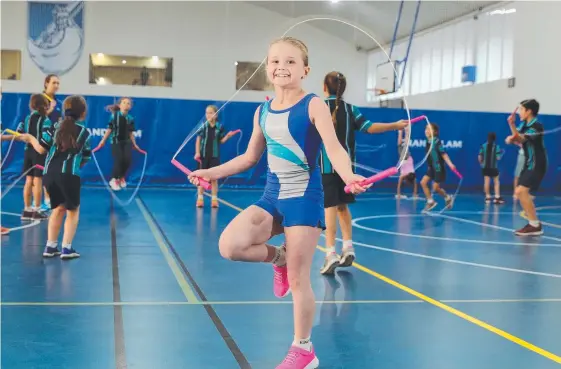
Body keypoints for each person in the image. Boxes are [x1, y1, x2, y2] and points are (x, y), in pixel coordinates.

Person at [188, 37, 368, 369]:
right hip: (272, 196)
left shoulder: (314, 105)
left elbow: (334, 147)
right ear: (267, 67)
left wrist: (348, 176)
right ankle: (279, 257)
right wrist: (209, 172)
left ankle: (304, 349)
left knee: (300, 280)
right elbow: (248, 158)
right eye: (274, 61)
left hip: (304, 198)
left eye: (290, 61)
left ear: (305, 70)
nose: (281, 67)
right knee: (230, 245)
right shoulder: (263, 110)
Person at [318, 71, 408, 275]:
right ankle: (348, 246)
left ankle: (330, 252)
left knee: (329, 207)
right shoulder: (351, 110)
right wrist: (395, 125)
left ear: (325, 87)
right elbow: (369, 127)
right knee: (342, 207)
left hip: (326, 167)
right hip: (348, 169)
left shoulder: (318, 107)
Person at [23, 95, 92, 259]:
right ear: (83, 112)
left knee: (57, 208)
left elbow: (41, 149)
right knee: (73, 210)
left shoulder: (54, 126)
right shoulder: (84, 132)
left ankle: (50, 246)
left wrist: (30, 138)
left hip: (49, 174)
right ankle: (67, 248)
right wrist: (75, 167)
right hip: (69, 175)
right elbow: (86, 157)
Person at [506, 99, 547, 235]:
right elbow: (514, 138)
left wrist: (512, 126)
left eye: (522, 110)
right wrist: (512, 136)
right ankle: (534, 224)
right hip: (529, 162)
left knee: (521, 192)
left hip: (537, 162)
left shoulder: (536, 126)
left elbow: (519, 139)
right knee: (520, 192)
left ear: (529, 111)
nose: (519, 113)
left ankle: (534, 225)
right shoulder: (524, 124)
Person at [16, 94, 51, 221]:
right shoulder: (45, 120)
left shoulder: (26, 119)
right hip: (38, 153)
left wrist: (27, 138)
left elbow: (19, 134)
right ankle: (37, 210)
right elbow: (47, 138)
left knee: (28, 181)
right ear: (45, 106)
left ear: (31, 105)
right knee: (38, 181)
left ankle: (27, 210)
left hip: (27, 152)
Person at [95, 97, 142, 190]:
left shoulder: (130, 118)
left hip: (127, 142)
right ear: (120, 105)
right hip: (116, 141)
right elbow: (109, 129)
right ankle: (114, 179)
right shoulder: (114, 116)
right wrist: (103, 141)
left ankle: (121, 177)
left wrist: (135, 144)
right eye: (124, 102)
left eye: (128, 103)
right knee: (119, 159)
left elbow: (131, 133)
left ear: (131, 107)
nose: (126, 104)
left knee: (127, 160)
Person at [194, 105, 237, 208]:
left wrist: (228, 136)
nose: (208, 115)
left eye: (210, 113)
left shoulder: (219, 127)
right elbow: (198, 140)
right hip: (204, 156)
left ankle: (214, 199)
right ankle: (200, 198)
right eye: (207, 113)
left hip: (214, 156)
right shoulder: (203, 126)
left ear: (216, 114)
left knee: (214, 178)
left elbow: (221, 141)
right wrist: (197, 152)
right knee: (201, 178)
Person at [420, 123, 457, 212]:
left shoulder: (436, 142)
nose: (427, 131)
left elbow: (444, 154)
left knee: (435, 187)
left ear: (435, 132)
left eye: (429, 129)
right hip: (431, 168)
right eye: (426, 129)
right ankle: (430, 201)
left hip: (438, 168)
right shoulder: (428, 141)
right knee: (423, 182)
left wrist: (450, 164)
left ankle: (448, 197)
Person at [39, 74, 62, 212]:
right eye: (54, 82)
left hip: (56, 140)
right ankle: (46, 200)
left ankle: (53, 197)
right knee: (44, 171)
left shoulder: (57, 101)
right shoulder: (41, 99)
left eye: (58, 83)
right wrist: (50, 109)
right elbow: (36, 118)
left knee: (55, 170)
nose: (56, 86)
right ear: (46, 83)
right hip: (43, 139)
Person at [478, 132, 505, 204]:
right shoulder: (497, 147)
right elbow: (498, 158)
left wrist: (481, 164)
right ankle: (497, 197)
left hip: (485, 167)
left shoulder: (483, 146)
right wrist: (501, 154)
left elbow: (480, 156)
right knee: (496, 182)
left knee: (486, 181)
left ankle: (487, 197)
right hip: (493, 167)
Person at [395, 128, 418, 200]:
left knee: (400, 145)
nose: (406, 182)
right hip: (406, 159)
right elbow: (399, 185)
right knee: (404, 145)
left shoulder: (411, 176)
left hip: (405, 159)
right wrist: (398, 194)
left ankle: (401, 131)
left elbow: (415, 185)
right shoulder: (404, 176)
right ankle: (406, 131)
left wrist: (398, 195)